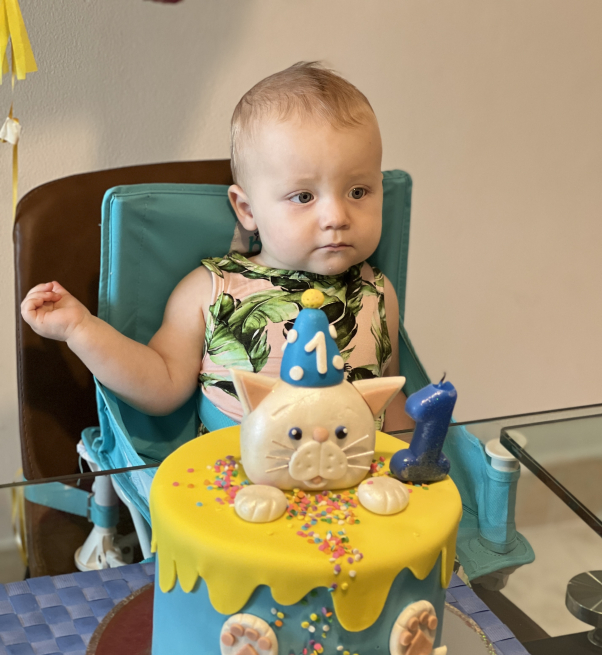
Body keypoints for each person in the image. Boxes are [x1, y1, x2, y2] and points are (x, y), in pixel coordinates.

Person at [21, 62, 413, 432]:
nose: (336, 216)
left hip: (354, 486)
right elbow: (161, 385)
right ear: (247, 209)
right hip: (237, 487)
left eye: (358, 191)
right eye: (304, 197)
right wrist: (81, 329)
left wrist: (411, 466)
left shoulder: (378, 293)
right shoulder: (212, 290)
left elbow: (388, 400)